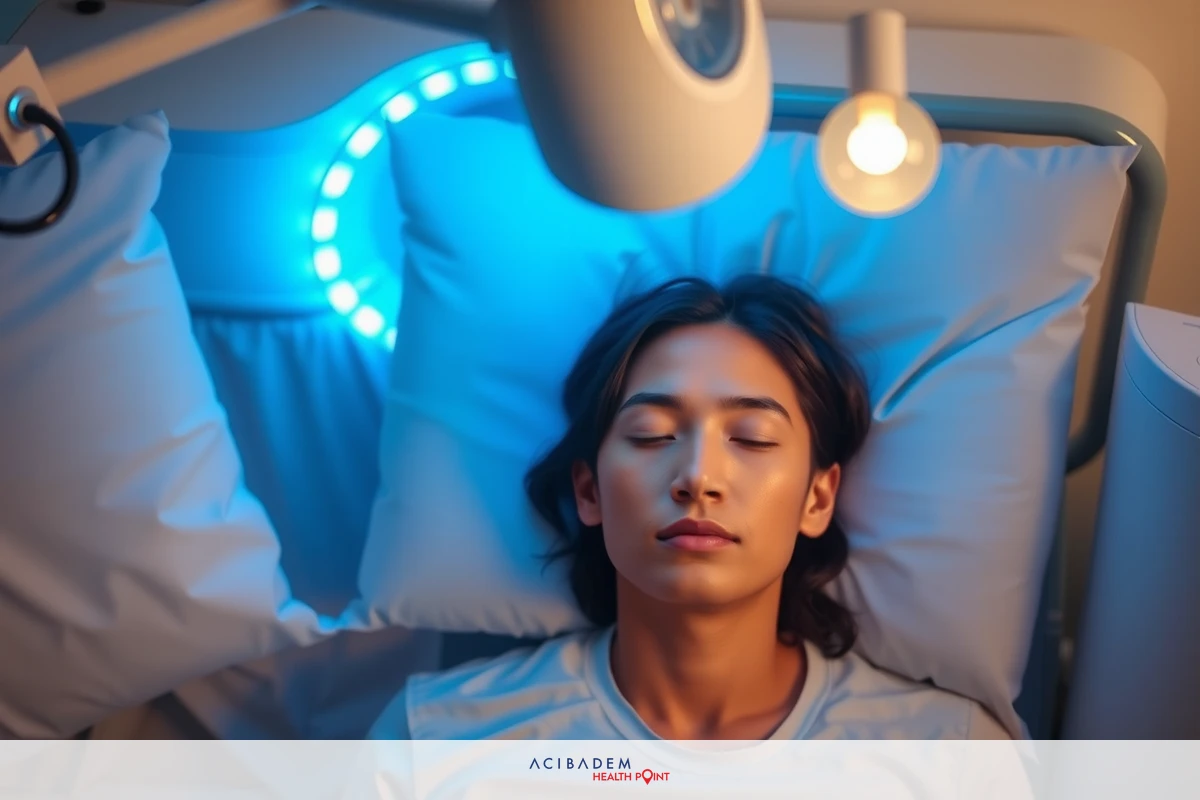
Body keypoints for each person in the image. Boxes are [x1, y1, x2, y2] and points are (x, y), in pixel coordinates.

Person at [370, 274, 1009, 740]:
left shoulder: (947, 757)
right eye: (651, 434)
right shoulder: (436, 744)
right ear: (589, 491)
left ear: (818, 498)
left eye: (752, 439)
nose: (698, 476)